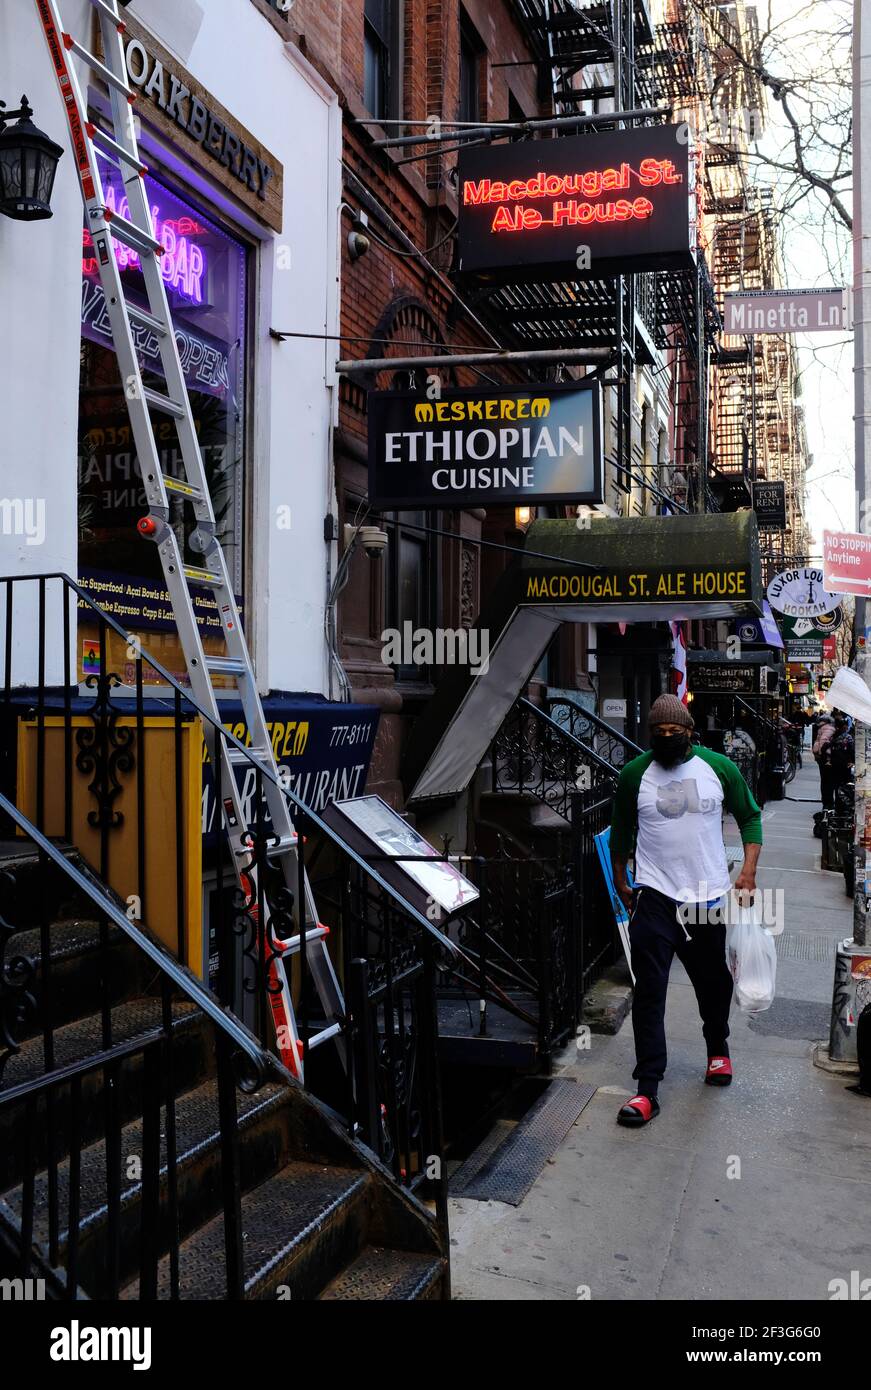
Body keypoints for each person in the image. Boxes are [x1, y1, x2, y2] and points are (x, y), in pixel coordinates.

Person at [610, 693, 763, 1127]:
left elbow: (750, 817)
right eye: (658, 734)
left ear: (689, 731)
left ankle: (718, 1050)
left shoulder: (719, 767)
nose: (666, 739)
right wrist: (621, 879)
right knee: (649, 993)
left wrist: (748, 871)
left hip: (706, 897)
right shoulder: (634, 775)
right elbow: (621, 833)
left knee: (712, 985)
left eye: (674, 732)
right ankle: (647, 1089)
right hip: (655, 897)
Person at [812, 714, 836, 809]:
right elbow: (823, 742)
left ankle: (825, 802)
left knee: (824, 781)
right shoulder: (829, 728)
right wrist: (827, 755)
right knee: (828, 782)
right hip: (826, 759)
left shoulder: (821, 728)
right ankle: (828, 803)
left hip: (820, 758)